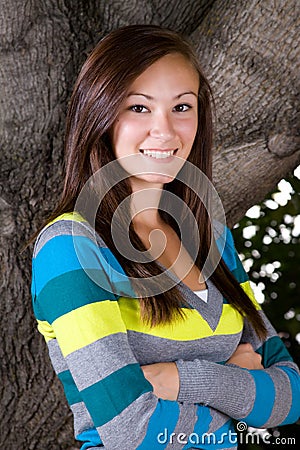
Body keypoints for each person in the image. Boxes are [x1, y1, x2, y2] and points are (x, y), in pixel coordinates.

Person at [31, 25, 300, 449]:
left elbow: (292, 394)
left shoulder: (212, 240)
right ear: (100, 114)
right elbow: (132, 433)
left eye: (182, 107)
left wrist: (176, 379)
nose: (166, 131)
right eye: (139, 108)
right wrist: (240, 395)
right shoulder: (69, 247)